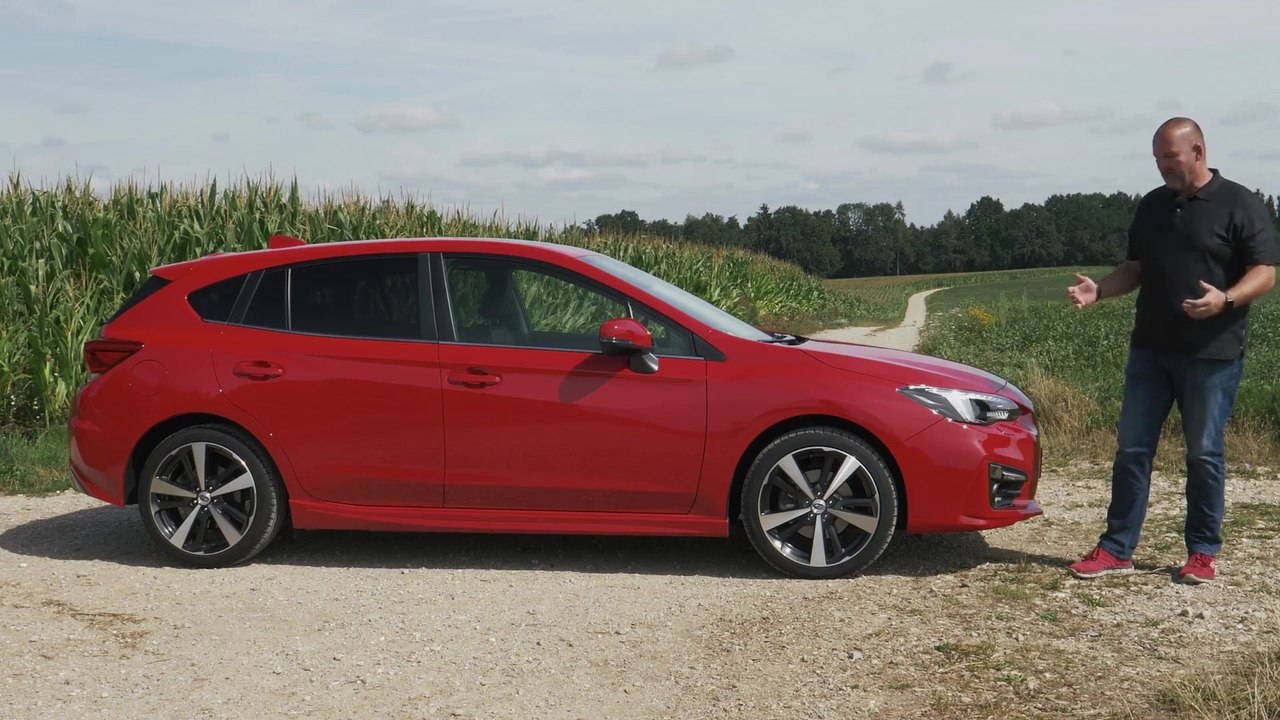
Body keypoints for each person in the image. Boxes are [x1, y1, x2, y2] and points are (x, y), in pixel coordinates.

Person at [1066, 117, 1279, 584]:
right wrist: (1098, 291)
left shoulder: (1240, 203)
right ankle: (1117, 548)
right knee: (1132, 450)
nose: (1163, 167)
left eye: (1171, 158)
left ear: (1198, 152)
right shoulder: (1152, 207)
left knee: (1204, 453)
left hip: (1212, 353)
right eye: (1158, 158)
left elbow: (1266, 271)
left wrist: (1225, 299)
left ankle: (1203, 551)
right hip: (1150, 351)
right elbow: (1135, 268)